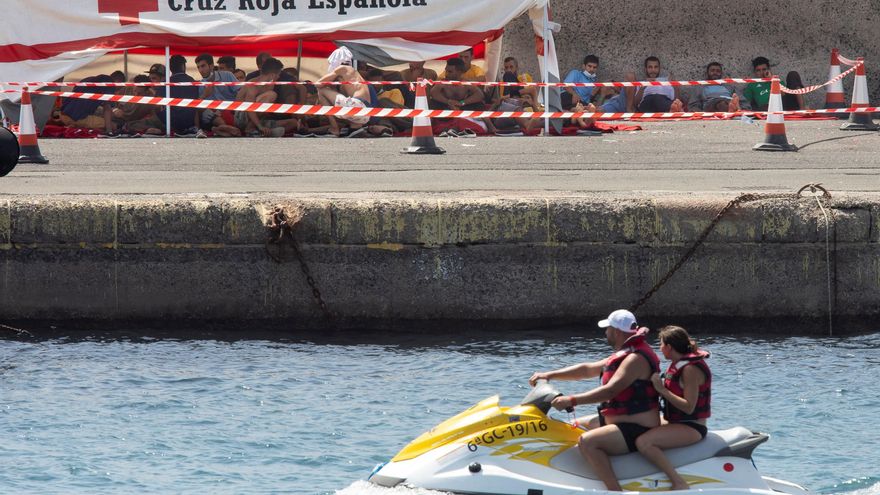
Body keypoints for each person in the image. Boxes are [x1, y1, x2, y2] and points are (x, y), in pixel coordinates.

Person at [529, 309, 661, 491]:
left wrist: (572, 400)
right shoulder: (625, 354)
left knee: (587, 442)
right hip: (619, 422)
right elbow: (587, 370)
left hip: (637, 428)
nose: (605, 333)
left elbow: (610, 391)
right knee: (562, 426)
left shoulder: (635, 359)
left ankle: (614, 491)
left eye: (607, 329)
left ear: (616, 332)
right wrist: (549, 374)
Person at [637, 326, 711, 491]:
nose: (660, 349)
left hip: (693, 426)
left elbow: (689, 407)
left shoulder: (690, 369)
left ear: (669, 347)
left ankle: (678, 482)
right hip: (677, 422)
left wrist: (661, 390)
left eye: (661, 344)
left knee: (644, 442)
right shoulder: (678, 365)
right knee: (640, 426)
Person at [234, 57, 300, 137]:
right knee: (272, 95)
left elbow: (263, 111)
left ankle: (264, 132)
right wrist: (260, 126)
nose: (278, 77)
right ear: (272, 75)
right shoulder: (253, 84)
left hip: (256, 119)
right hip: (242, 118)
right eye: (278, 74)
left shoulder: (270, 85)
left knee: (293, 122)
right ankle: (251, 129)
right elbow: (249, 108)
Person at [315, 47, 372, 137]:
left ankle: (334, 128)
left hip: (356, 106)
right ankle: (354, 129)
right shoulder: (354, 73)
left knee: (322, 90)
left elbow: (318, 84)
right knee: (347, 99)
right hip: (367, 114)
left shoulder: (342, 68)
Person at [195, 53, 241, 137]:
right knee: (205, 111)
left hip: (232, 110)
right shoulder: (200, 84)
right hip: (214, 115)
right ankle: (225, 128)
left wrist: (229, 107)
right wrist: (204, 95)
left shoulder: (227, 75)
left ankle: (221, 129)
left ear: (211, 66)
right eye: (198, 67)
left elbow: (241, 92)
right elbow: (198, 107)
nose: (200, 70)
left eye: (203, 66)